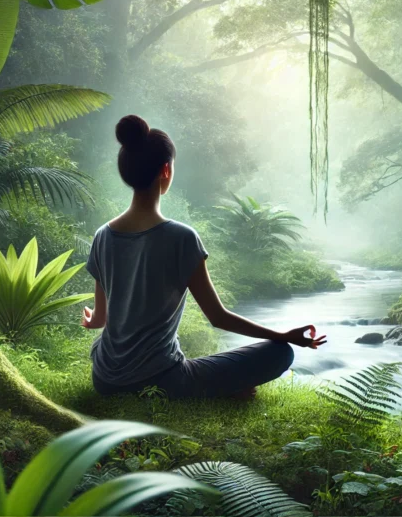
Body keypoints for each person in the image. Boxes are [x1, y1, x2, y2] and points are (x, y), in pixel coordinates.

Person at [80, 114, 326, 399]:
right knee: (279, 354)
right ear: (166, 171)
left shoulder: (102, 236)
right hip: (162, 382)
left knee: (107, 348)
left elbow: (100, 319)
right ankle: (222, 390)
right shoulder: (182, 238)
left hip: (105, 381)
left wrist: (92, 318)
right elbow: (218, 317)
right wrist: (283, 336)